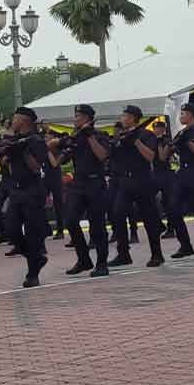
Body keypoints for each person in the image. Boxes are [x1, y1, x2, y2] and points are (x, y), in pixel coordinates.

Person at [54, 104, 111, 277]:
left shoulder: (100, 135)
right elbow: (60, 160)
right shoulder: (75, 137)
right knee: (70, 221)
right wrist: (59, 143)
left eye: (78, 116)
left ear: (87, 118)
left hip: (95, 183)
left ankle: (102, 264)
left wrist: (90, 137)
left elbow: (102, 156)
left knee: (97, 226)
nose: (75, 119)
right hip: (78, 184)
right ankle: (84, 259)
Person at [0, 106, 48, 288]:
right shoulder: (14, 140)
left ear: (24, 121)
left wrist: (23, 151)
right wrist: (8, 153)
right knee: (12, 231)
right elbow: (0, 158)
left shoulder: (36, 141)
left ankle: (32, 273)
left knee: (32, 234)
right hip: (16, 190)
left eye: (15, 118)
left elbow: (35, 167)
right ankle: (37, 258)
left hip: (32, 190)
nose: (12, 121)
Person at [107, 105, 166, 268]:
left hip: (143, 180)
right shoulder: (121, 136)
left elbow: (150, 156)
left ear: (133, 118)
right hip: (125, 181)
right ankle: (123, 253)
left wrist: (137, 142)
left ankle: (157, 254)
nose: (122, 118)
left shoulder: (146, 134)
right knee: (117, 214)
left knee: (149, 218)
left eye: (125, 115)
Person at [164, 103, 194, 260]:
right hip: (182, 172)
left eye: (183, 113)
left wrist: (189, 142)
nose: (181, 116)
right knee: (173, 209)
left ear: (191, 115)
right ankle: (185, 245)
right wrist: (168, 143)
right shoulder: (181, 133)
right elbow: (164, 156)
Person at [151, 120, 176, 239]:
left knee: (168, 202)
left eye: (159, 128)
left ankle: (171, 228)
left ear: (163, 129)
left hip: (166, 173)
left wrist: (159, 143)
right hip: (155, 173)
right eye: (155, 128)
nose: (156, 130)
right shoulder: (152, 140)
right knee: (148, 199)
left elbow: (162, 158)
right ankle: (159, 224)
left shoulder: (167, 141)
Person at [41, 124, 66, 241]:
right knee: (40, 203)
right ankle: (46, 228)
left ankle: (60, 230)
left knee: (58, 205)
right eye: (45, 138)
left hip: (55, 179)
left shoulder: (59, 152)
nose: (46, 140)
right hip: (45, 179)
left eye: (48, 138)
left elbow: (55, 164)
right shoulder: (44, 150)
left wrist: (48, 150)